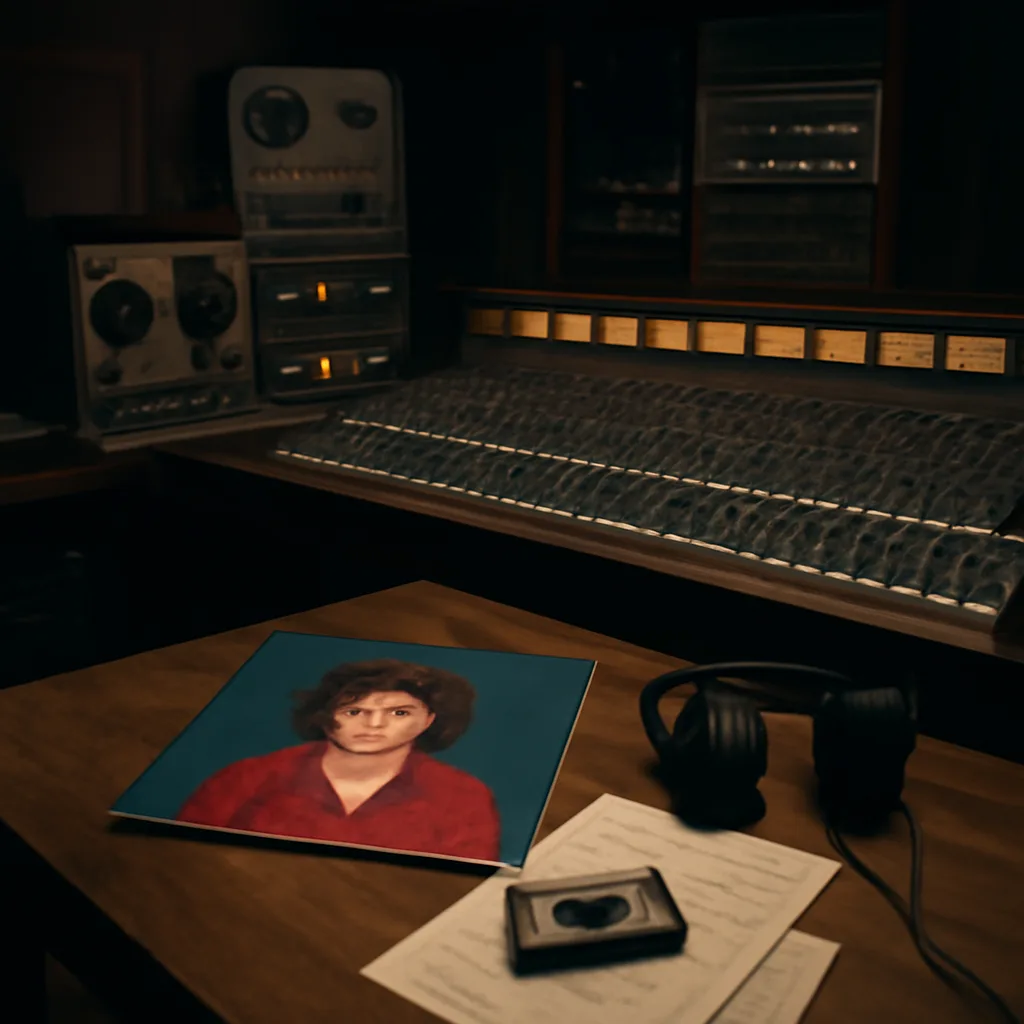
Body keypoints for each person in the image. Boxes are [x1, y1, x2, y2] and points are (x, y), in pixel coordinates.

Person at [177, 658, 501, 861]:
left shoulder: (463, 796)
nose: (374, 725)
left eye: (399, 712)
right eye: (354, 711)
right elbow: (181, 857)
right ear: (324, 715)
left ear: (429, 719)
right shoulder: (245, 778)